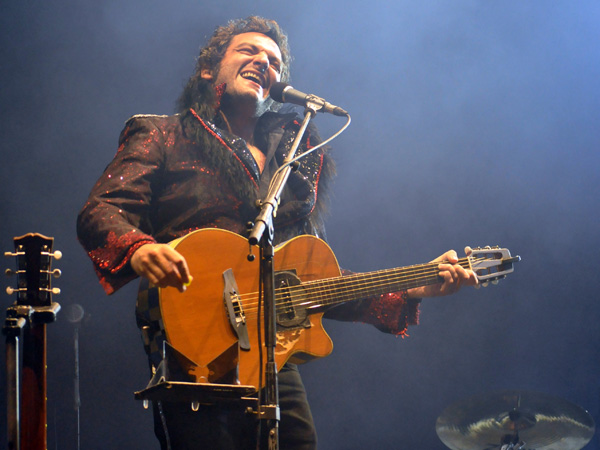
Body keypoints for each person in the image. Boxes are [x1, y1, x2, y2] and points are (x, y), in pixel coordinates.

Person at [77, 16, 477, 450]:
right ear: (208, 69)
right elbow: (101, 209)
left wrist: (412, 288)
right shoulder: (163, 133)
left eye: (274, 61)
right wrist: (139, 250)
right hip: (192, 339)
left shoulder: (294, 163)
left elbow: (310, 283)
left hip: (270, 353)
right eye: (248, 51)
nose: (263, 62)